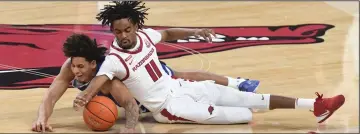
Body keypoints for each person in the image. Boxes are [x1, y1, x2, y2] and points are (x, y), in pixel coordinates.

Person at [73, 1, 346, 133]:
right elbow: (100, 80)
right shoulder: (114, 59)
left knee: (253, 99)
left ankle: (317, 105)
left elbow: (168, 34)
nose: (123, 35)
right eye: (118, 31)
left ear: (136, 26)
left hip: (183, 88)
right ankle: (264, 108)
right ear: (112, 31)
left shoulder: (146, 36)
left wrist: (196, 30)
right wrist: (85, 96)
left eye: (127, 29)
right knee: (241, 114)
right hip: (171, 109)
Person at [30, 33, 259, 132]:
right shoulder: (70, 68)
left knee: (179, 76)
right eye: (73, 65)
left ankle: (236, 82)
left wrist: (130, 127)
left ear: (92, 64)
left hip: (147, 84)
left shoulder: (109, 80)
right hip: (136, 92)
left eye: (80, 66)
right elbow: (51, 95)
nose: (75, 71)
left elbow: (130, 105)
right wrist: (42, 119)